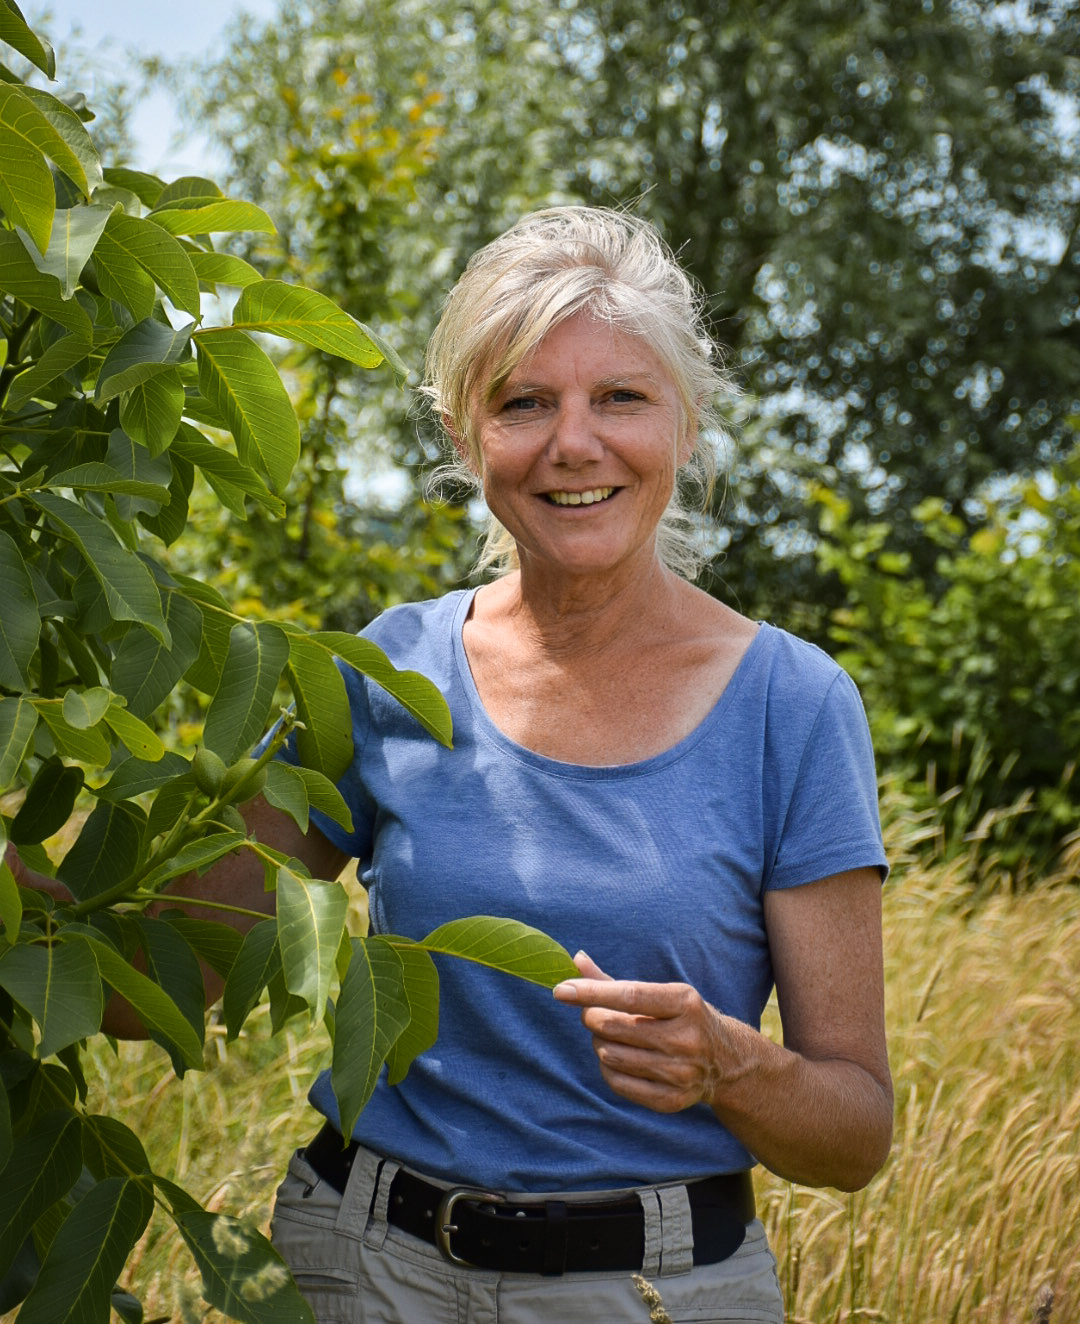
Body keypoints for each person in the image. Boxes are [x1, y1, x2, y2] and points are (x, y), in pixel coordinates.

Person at [8, 206, 892, 1323]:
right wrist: (27, 903)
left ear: (689, 419)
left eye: (620, 397)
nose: (574, 443)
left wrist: (734, 1066)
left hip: (656, 1288)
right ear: (466, 436)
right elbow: (191, 965)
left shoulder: (795, 706)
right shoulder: (389, 668)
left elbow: (857, 1133)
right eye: (525, 402)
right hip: (366, 1267)